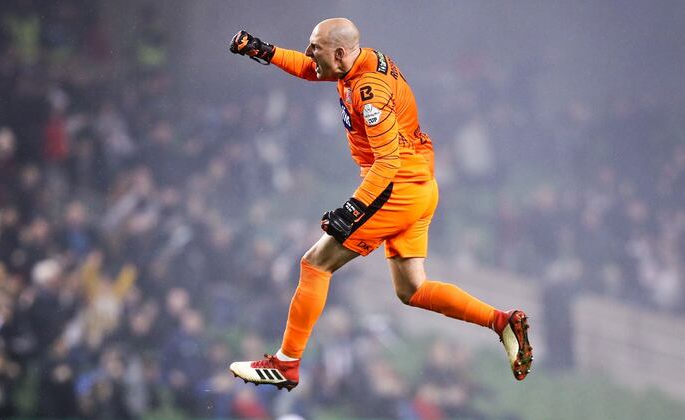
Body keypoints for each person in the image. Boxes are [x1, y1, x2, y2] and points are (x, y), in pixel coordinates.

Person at [227, 18, 532, 391]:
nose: (309, 53)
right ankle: (501, 321)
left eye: (315, 47)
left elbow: (386, 162)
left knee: (315, 263)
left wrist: (352, 209)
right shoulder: (357, 62)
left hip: (396, 186)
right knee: (412, 289)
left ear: (340, 53)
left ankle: (286, 363)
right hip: (420, 184)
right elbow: (311, 69)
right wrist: (266, 51)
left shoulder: (369, 91)